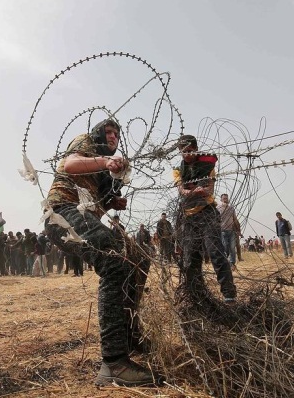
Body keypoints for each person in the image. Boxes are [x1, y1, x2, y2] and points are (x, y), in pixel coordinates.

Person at [44, 118, 158, 387]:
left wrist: (111, 202)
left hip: (79, 215)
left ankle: (128, 335)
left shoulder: (103, 172)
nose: (113, 137)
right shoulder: (85, 142)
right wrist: (106, 162)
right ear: (97, 134)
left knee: (138, 258)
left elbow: (95, 207)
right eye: (108, 132)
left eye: (117, 134)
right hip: (61, 212)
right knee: (115, 260)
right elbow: (69, 165)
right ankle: (114, 362)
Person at [173, 135, 237, 304]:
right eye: (183, 151)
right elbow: (182, 190)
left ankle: (229, 295)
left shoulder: (207, 164)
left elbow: (209, 189)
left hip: (207, 213)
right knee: (191, 258)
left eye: (189, 151)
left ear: (196, 149)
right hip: (189, 217)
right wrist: (194, 190)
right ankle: (196, 295)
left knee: (216, 252)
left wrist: (193, 189)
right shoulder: (178, 169)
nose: (186, 154)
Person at [217, 194, 241, 267]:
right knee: (225, 247)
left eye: (226, 198)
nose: (225, 200)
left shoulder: (231, 208)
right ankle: (225, 262)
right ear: (221, 200)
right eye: (224, 198)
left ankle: (232, 263)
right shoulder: (218, 208)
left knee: (232, 248)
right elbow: (216, 220)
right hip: (222, 230)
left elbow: (235, 219)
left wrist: (238, 230)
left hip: (231, 231)